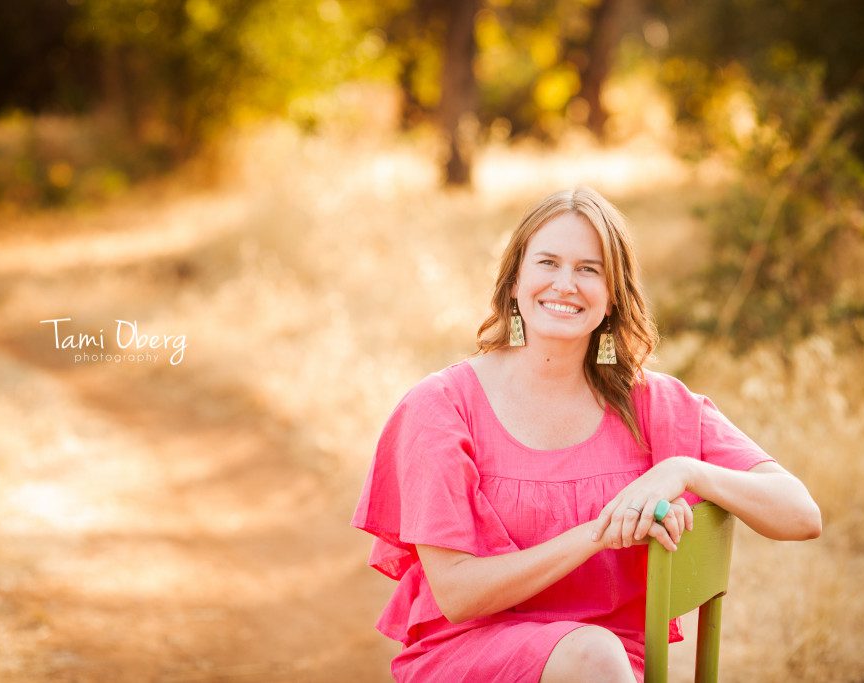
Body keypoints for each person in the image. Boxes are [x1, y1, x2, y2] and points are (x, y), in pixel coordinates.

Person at [351, 187, 821, 682]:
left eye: (589, 270)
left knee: (596, 657)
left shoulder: (656, 407)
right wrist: (600, 532)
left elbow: (800, 514)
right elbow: (458, 593)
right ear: (514, 280)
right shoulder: (441, 407)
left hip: (611, 666)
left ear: (613, 295)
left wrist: (684, 470)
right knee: (591, 656)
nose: (565, 285)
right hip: (473, 656)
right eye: (548, 263)